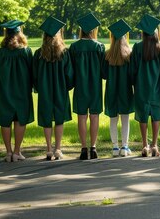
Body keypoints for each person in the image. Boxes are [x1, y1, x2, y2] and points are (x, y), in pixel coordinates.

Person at [0, 20, 34, 162]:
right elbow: (33, 72)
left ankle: (8, 153)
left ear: (6, 34)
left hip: (5, 90)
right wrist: (33, 85)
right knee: (20, 119)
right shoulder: (26, 52)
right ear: (20, 33)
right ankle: (17, 151)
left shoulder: (0, 52)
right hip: (22, 90)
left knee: (6, 120)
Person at [33, 16, 73, 160]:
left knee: (47, 119)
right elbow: (69, 75)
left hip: (45, 91)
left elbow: (34, 75)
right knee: (59, 119)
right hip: (60, 90)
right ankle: (58, 149)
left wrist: (39, 87)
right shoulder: (64, 53)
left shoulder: (38, 54)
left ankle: (49, 149)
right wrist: (66, 86)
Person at [69, 13, 105, 160]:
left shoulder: (74, 47)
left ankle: (84, 149)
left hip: (81, 86)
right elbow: (104, 71)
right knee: (95, 116)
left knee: (82, 116)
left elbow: (70, 69)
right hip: (95, 86)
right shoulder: (99, 47)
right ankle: (94, 148)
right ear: (93, 31)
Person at [130, 14, 160, 157]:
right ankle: (155, 145)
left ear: (143, 33)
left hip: (141, 87)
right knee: (155, 116)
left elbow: (132, 69)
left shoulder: (137, 47)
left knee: (143, 116)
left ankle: (145, 145)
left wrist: (133, 82)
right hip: (157, 87)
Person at [102, 19, 134, 157]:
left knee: (113, 119)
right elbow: (132, 75)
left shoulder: (107, 55)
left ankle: (115, 147)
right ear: (125, 37)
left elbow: (103, 75)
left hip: (111, 90)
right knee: (125, 119)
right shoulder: (129, 55)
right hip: (125, 90)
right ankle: (125, 147)